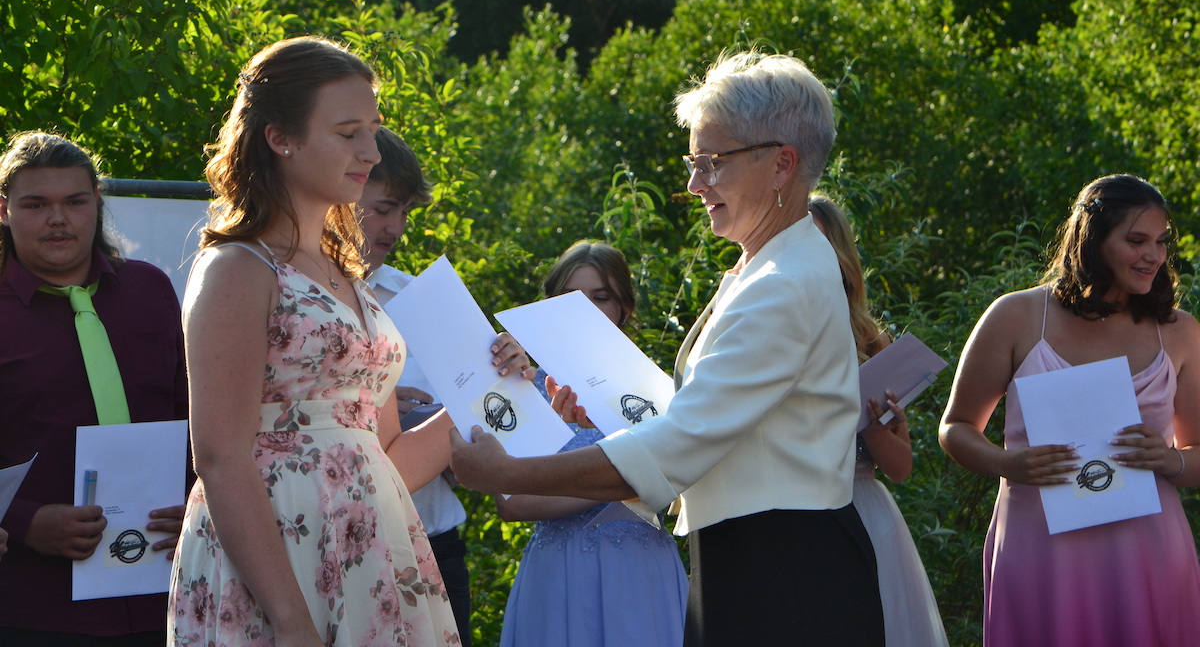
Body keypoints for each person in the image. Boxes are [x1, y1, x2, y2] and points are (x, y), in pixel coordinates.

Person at [449, 50, 884, 646]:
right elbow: (715, 422)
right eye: (693, 162)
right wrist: (603, 415)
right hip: (765, 558)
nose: (693, 184)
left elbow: (677, 449)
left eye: (712, 163)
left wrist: (508, 471)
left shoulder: (783, 285)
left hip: (782, 572)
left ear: (781, 164)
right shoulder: (772, 266)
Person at [167, 37, 529, 647]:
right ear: (280, 138)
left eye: (373, 130)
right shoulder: (237, 267)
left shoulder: (349, 277)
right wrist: (290, 619)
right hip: (275, 567)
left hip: (370, 552)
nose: (371, 151)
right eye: (348, 132)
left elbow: (386, 455)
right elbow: (221, 458)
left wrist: (490, 386)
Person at [939, 174, 1200, 647]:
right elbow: (955, 427)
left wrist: (1170, 460)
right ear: (1093, 239)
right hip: (1041, 551)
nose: (1154, 255)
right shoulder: (1015, 317)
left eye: (1161, 242)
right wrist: (1006, 463)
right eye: (1136, 240)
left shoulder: (1181, 331)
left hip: (1146, 554)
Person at [0, 131, 189, 645]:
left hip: (166, 591)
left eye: (75, 202)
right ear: (4, 211)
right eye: (36, 205)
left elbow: (194, 413)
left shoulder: (151, 290)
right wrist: (24, 522)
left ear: (97, 205)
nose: (58, 219)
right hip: (35, 605)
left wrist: (198, 502)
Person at [496, 241, 688, 647]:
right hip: (557, 578)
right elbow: (512, 503)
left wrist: (585, 482)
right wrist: (626, 477)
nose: (583, 310)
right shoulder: (526, 388)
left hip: (639, 577)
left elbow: (676, 483)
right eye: (569, 298)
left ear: (624, 309)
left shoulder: (654, 391)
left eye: (599, 298)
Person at [809, 194, 949, 647]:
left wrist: (874, 425)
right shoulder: (767, 332)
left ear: (841, 257)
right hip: (795, 512)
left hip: (863, 511)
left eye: (818, 244)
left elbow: (901, 468)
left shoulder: (871, 342)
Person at [360, 126, 476, 646]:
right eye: (384, 208)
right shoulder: (283, 293)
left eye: (405, 212)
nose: (396, 228)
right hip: (344, 543)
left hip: (435, 540)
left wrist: (505, 377)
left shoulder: (423, 301)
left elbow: (489, 433)